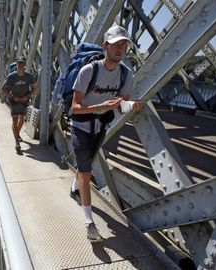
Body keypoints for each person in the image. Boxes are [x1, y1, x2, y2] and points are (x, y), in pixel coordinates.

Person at [69, 26, 143, 242]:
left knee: (87, 163)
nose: (121, 48)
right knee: (85, 171)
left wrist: (131, 105)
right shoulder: (89, 71)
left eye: (124, 44)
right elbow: (74, 107)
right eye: (116, 44)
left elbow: (119, 106)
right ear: (105, 46)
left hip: (100, 127)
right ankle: (90, 223)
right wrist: (101, 105)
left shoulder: (125, 75)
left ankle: (74, 190)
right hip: (81, 126)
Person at [1, 56, 37, 151]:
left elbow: (34, 88)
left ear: (25, 64)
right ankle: (17, 141)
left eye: (22, 63)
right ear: (16, 64)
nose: (21, 65)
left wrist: (27, 96)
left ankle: (17, 134)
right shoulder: (11, 77)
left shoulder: (29, 76)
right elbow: (3, 89)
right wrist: (12, 97)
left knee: (22, 118)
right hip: (14, 100)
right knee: (15, 120)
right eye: (19, 63)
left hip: (24, 99)